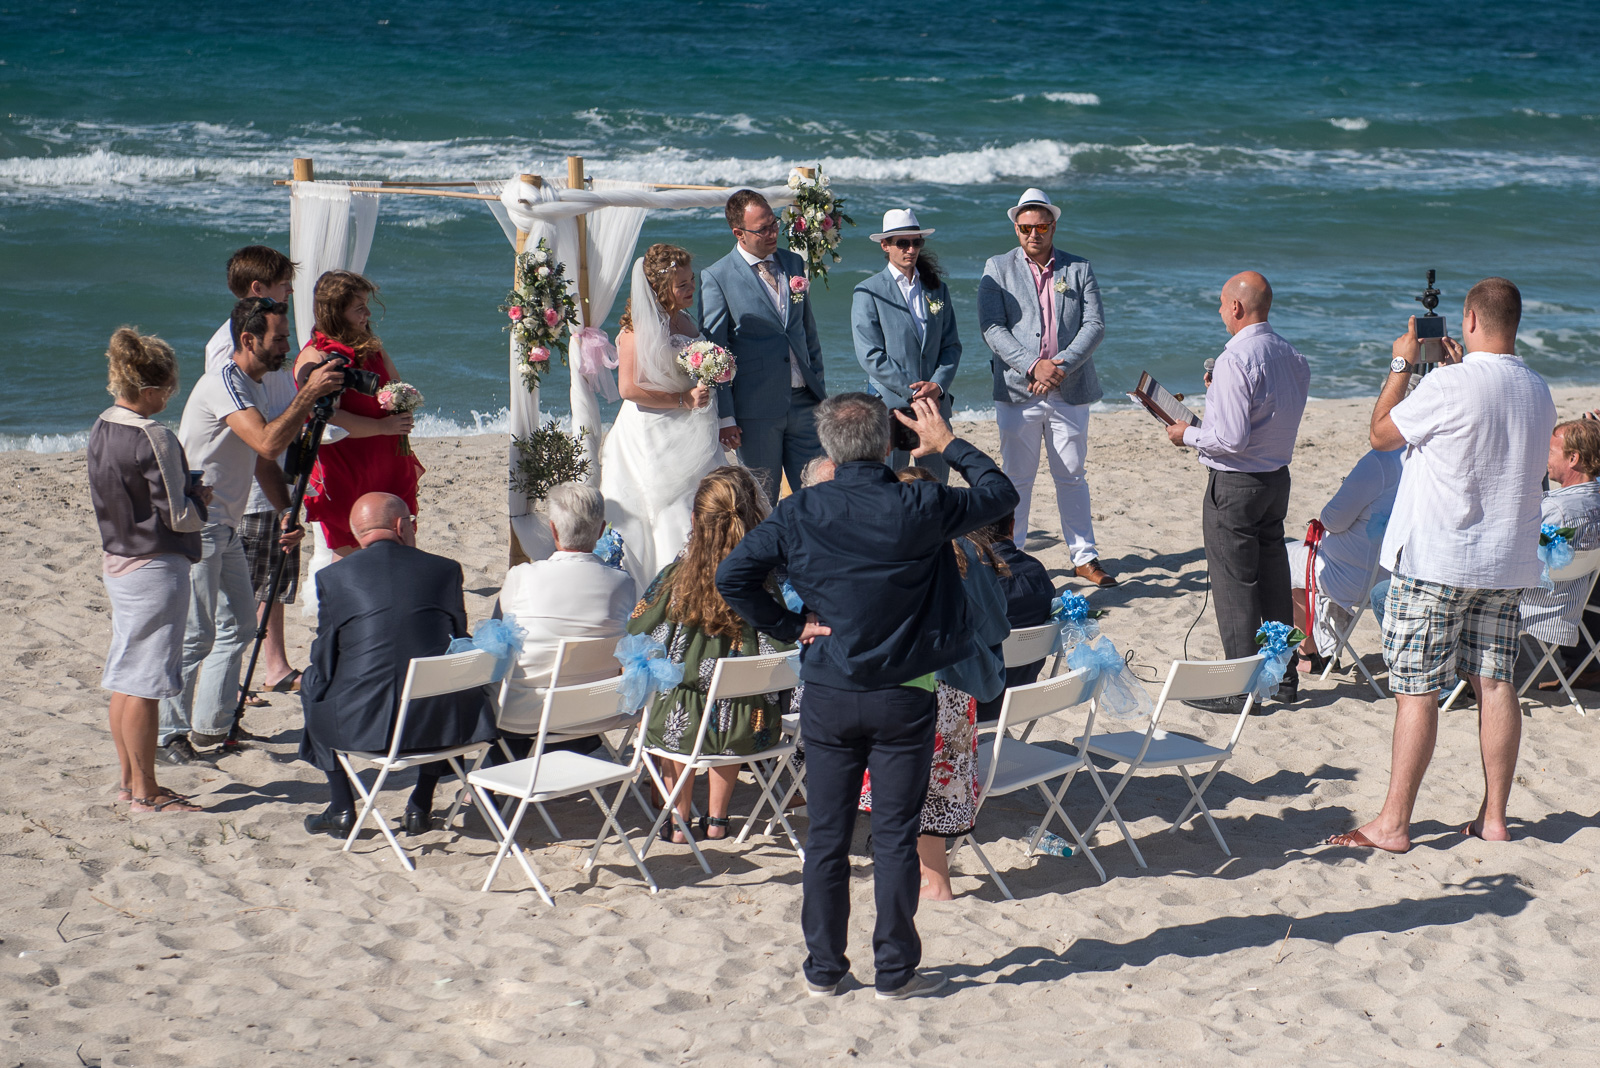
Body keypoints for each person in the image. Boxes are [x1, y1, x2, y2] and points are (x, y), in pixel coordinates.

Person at [716, 393, 1018, 1001]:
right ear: (886, 442)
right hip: (903, 692)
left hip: (831, 687)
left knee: (827, 835)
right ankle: (894, 969)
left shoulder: (802, 509)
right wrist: (945, 443)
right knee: (894, 835)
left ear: (827, 447)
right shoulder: (920, 499)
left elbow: (733, 576)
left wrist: (785, 624)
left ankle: (826, 968)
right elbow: (1000, 493)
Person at [1328, 277, 1555, 853]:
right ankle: (1495, 817)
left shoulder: (1450, 385)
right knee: (1496, 683)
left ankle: (1394, 823)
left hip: (1436, 558)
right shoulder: (1538, 389)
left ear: (1470, 321)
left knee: (1416, 690)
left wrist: (1402, 365)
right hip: (1505, 562)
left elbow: (1381, 435)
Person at [163, 298, 343, 762]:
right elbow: (267, 440)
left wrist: (286, 510)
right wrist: (308, 394)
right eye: (279, 338)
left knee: (241, 626)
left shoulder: (254, 385)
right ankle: (168, 733)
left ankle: (212, 726)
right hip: (196, 525)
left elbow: (263, 458)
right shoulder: (226, 381)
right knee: (198, 634)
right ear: (248, 340)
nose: (287, 346)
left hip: (224, 524)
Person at [299, 493, 499, 837]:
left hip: (362, 726)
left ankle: (342, 805)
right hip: (437, 726)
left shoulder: (334, 577)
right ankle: (420, 803)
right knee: (442, 678)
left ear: (358, 533)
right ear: (400, 525)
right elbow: (459, 641)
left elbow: (325, 657)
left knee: (310, 682)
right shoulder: (445, 569)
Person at [855, 467, 1007, 901]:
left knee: (915, 786)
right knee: (937, 787)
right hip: (962, 687)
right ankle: (931, 878)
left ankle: (936, 884)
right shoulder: (974, 550)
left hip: (921, 683)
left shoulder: (903, 553)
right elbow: (997, 626)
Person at [1164, 271, 1310, 712]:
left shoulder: (1236, 357)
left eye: (1222, 305)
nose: (1221, 313)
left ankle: (1239, 688)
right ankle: (1283, 678)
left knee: (1235, 587)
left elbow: (1228, 439)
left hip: (1238, 482)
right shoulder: (1292, 355)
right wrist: (1218, 398)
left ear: (1236, 308)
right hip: (1274, 478)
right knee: (1271, 581)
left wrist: (1186, 433)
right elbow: (1265, 415)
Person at [630, 466, 792, 843]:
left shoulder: (676, 578)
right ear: (753, 519)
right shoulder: (762, 583)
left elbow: (638, 630)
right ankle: (717, 819)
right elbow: (781, 644)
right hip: (750, 728)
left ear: (695, 520)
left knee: (672, 692)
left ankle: (679, 820)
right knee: (737, 690)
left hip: (682, 727)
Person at [88, 328, 210, 813]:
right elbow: (177, 514)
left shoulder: (102, 425)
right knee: (145, 681)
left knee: (125, 673)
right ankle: (146, 792)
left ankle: (128, 781)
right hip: (154, 562)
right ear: (152, 388)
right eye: (168, 389)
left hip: (118, 558)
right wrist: (201, 501)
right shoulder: (152, 434)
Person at [979, 188, 1113, 587]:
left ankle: (1084, 557)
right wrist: (1032, 366)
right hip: (1019, 390)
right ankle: (1011, 553)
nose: (1033, 234)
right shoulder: (996, 267)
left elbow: (1095, 325)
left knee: (1072, 474)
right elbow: (992, 328)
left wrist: (1059, 367)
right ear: (1016, 228)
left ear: (1054, 226)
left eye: (1041, 226)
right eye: (1025, 227)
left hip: (1068, 389)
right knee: (1017, 477)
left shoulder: (1079, 268)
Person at [204, 246, 306, 700]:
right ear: (258, 290)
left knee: (273, 580)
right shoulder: (228, 348)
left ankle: (274, 665)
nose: (291, 291)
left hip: (276, 475)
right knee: (243, 592)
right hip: (250, 485)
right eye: (285, 284)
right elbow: (249, 427)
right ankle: (241, 675)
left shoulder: (272, 336)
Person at [600, 244, 724, 589]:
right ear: (660, 289)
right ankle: (666, 584)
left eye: (691, 280)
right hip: (652, 430)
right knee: (667, 506)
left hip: (693, 427)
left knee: (702, 498)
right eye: (681, 284)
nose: (691, 289)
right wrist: (683, 399)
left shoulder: (686, 321)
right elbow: (628, 389)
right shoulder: (635, 332)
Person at [700, 188, 827, 501]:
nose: (773, 233)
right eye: (764, 229)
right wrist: (726, 417)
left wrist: (819, 390)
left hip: (805, 403)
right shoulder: (716, 277)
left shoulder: (793, 263)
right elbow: (715, 354)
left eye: (775, 225)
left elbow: (807, 333)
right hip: (755, 411)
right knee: (762, 500)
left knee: (820, 494)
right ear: (739, 233)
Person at [292, 270, 423, 557]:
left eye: (366, 304)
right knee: (350, 550)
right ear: (336, 313)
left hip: (386, 457)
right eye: (358, 307)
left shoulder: (369, 345)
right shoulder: (315, 358)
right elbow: (327, 416)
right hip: (345, 466)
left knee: (399, 540)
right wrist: (385, 428)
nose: (367, 313)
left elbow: (396, 384)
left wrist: (402, 407)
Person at [497, 482, 638, 733]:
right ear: (601, 531)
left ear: (552, 529)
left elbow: (500, 639)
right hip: (597, 714)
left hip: (526, 716)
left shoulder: (522, 576)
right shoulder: (623, 583)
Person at [851, 209, 962, 482]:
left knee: (936, 486)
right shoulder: (867, 291)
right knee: (889, 487)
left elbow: (951, 346)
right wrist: (914, 391)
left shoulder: (937, 289)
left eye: (916, 242)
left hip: (934, 405)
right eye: (902, 243)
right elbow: (870, 355)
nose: (910, 249)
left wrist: (936, 386)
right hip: (890, 406)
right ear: (885, 245)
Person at [1286, 447, 1403, 670]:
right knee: (1311, 559)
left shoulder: (1379, 461)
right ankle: (1325, 650)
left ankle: (1308, 652)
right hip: (1393, 572)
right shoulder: (1420, 457)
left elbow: (1332, 519)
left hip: (1359, 578)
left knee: (1286, 558)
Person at [1520, 420, 1600, 678]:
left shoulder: (1556, 511)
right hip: (1576, 601)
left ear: (1573, 458)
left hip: (1541, 610)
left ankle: (1457, 683)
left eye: (1550, 451)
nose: (1545, 458)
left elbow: (1529, 566)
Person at [976, 513, 1057, 723]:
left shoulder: (972, 578)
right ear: (1012, 526)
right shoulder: (1037, 571)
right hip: (1021, 702)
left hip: (971, 706)